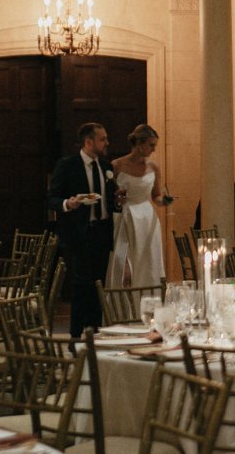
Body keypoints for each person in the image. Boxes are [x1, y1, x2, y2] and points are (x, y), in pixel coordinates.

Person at [48, 122, 115, 336]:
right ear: (89, 142)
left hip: (102, 232)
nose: (107, 143)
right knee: (81, 286)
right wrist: (68, 203)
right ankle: (76, 336)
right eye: (102, 139)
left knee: (98, 285)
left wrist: (118, 200)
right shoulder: (67, 165)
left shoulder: (106, 167)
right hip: (78, 234)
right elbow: (52, 198)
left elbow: (110, 201)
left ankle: (95, 334)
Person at [107, 124, 172, 288]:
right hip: (125, 216)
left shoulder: (153, 167)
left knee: (148, 262)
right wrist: (117, 199)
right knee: (123, 262)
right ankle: (124, 301)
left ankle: (148, 298)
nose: (154, 149)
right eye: (151, 145)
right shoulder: (117, 165)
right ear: (140, 143)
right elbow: (109, 196)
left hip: (147, 217)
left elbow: (156, 196)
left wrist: (164, 201)